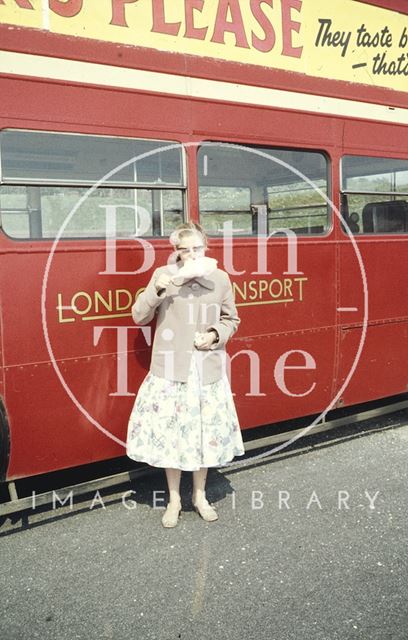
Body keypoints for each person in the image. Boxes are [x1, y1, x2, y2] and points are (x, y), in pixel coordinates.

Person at [126, 222, 245, 527]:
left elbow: (231, 318)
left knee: (202, 434)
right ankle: (175, 499)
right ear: (176, 252)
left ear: (206, 248)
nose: (191, 254)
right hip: (171, 370)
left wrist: (215, 334)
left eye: (197, 248)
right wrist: (158, 289)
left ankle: (200, 496)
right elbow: (139, 316)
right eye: (184, 249)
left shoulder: (220, 278)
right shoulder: (163, 276)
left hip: (205, 369)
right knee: (174, 435)